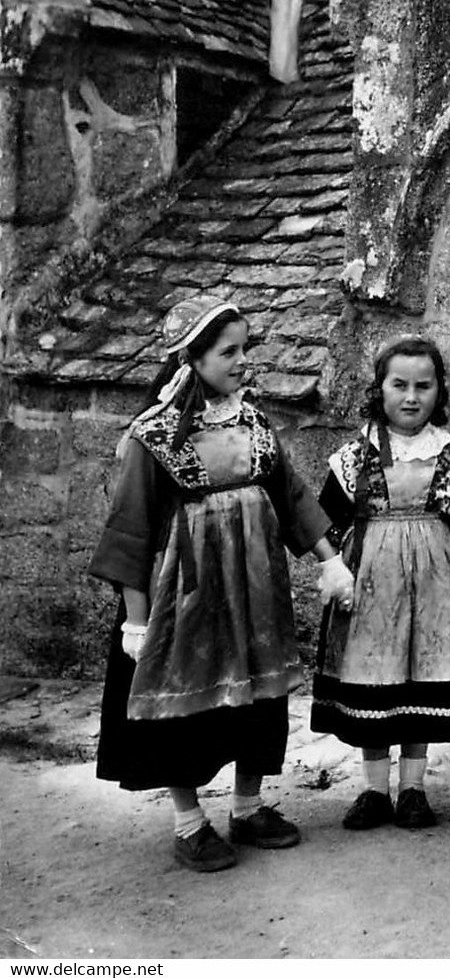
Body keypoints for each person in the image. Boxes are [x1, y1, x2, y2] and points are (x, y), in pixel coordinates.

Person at [91, 295, 354, 872]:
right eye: (227, 351)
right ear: (193, 358)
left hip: (256, 588)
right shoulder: (151, 438)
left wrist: (329, 560)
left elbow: (293, 498)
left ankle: (248, 805)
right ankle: (189, 823)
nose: (241, 362)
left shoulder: (254, 422)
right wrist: (136, 621)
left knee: (260, 694)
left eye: (245, 349)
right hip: (187, 593)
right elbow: (129, 532)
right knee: (185, 702)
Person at [311, 335, 450, 831]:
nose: (411, 397)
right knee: (374, 678)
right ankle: (374, 789)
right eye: (399, 385)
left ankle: (414, 789)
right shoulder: (354, 455)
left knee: (420, 675)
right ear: (379, 389)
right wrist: (334, 567)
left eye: (423, 386)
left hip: (432, 581)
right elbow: (326, 520)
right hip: (372, 582)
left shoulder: (449, 454)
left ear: (438, 392)